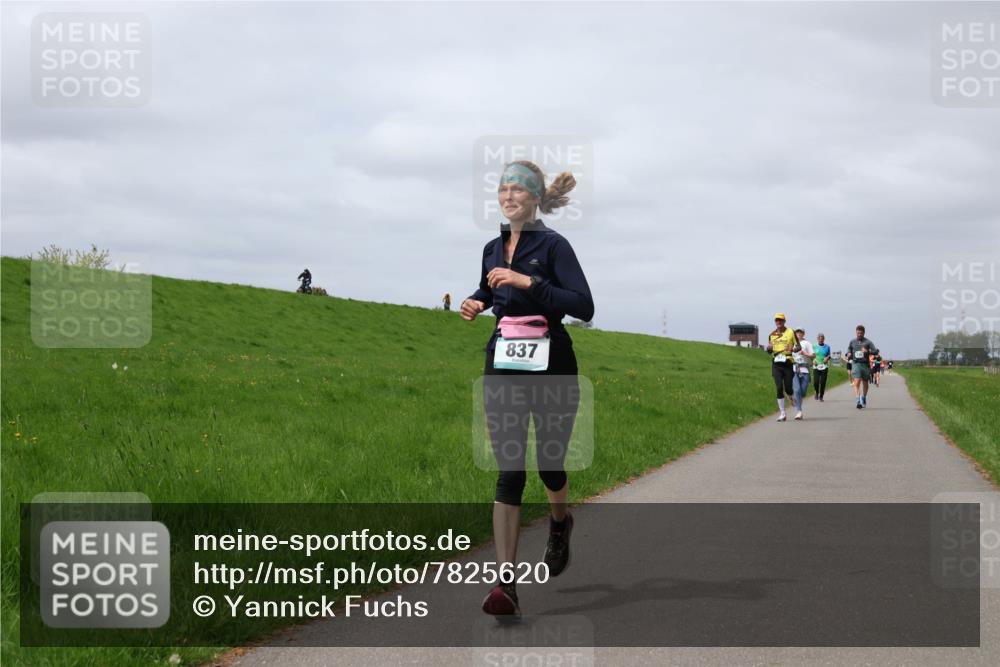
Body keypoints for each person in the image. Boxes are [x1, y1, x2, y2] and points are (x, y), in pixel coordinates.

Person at [461, 160, 593, 618]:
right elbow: (488, 289)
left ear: (536, 198)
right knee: (509, 470)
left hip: (552, 360)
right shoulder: (491, 247)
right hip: (503, 361)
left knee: (549, 464)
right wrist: (476, 302)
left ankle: (560, 523)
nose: (509, 195)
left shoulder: (555, 247)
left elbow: (583, 304)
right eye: (503, 189)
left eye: (518, 189)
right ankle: (505, 585)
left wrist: (528, 281)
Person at [766, 313, 798, 422]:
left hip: (788, 363)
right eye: (777, 320)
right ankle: (783, 413)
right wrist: (769, 348)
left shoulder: (790, 332)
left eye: (780, 320)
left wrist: (792, 349)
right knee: (779, 387)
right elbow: (769, 350)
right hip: (776, 364)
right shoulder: (772, 334)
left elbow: (798, 346)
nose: (778, 322)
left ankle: (790, 395)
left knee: (788, 387)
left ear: (784, 321)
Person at [846, 325, 878, 409]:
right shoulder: (852, 341)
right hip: (856, 363)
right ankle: (858, 401)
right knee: (856, 382)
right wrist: (849, 353)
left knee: (865, 383)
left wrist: (867, 351)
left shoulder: (868, 342)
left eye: (860, 333)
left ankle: (863, 397)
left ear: (864, 333)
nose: (859, 334)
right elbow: (849, 349)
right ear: (856, 332)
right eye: (858, 333)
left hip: (865, 364)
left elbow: (875, 351)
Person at [791, 329, 815, 420]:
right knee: (797, 390)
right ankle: (799, 411)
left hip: (804, 368)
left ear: (803, 334)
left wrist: (805, 353)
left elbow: (813, 356)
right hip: (794, 369)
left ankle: (796, 399)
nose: (798, 334)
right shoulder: (792, 343)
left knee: (803, 392)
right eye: (797, 332)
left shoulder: (807, 343)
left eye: (800, 332)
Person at [812, 333, 831, 401]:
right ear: (817, 339)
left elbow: (829, 356)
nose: (821, 340)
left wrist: (827, 358)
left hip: (824, 366)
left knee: (823, 382)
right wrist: (813, 360)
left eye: (822, 339)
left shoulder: (827, 347)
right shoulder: (814, 346)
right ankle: (817, 392)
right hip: (816, 366)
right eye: (819, 339)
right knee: (816, 382)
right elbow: (811, 355)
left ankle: (821, 396)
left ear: (824, 339)